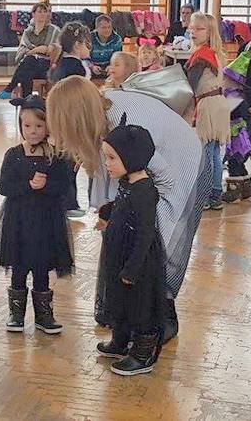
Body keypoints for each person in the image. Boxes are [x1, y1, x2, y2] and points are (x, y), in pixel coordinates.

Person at [46, 76, 210, 344]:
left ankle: (162, 318)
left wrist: (143, 209)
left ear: (75, 118)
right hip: (158, 168)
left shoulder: (127, 126)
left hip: (183, 165)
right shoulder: (103, 112)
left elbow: (164, 179)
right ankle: (128, 311)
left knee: (162, 243)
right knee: (129, 235)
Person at [0, 95, 73, 334]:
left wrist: (46, 186)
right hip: (19, 221)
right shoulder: (13, 154)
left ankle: (44, 315)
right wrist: (28, 185)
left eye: (38, 126)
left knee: (42, 267)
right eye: (27, 126)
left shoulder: (55, 156)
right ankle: (16, 314)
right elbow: (4, 187)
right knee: (19, 266)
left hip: (46, 221)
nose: (33, 131)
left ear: (48, 126)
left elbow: (64, 188)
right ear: (20, 125)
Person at [95, 124, 165, 376]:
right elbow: (123, 207)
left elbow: (145, 232)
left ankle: (142, 354)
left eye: (112, 158)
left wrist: (133, 268)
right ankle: (120, 340)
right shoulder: (128, 182)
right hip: (120, 254)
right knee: (120, 299)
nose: (107, 164)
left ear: (132, 157)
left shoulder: (144, 190)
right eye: (106, 157)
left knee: (139, 304)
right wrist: (108, 212)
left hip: (138, 260)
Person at [49, 21, 93, 219]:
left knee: (67, 161)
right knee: (70, 163)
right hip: (72, 118)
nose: (89, 48)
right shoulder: (75, 67)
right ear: (77, 45)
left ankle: (65, 202)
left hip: (62, 117)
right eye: (87, 43)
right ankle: (68, 203)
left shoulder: (63, 64)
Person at [186, 12, 230, 211]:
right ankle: (215, 195)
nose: (193, 32)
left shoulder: (202, 55)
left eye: (199, 29)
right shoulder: (214, 53)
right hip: (218, 103)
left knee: (206, 154)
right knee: (213, 153)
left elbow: (190, 85)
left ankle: (205, 195)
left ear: (209, 32)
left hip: (208, 105)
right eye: (192, 28)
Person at [0, 3, 60, 100]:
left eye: (45, 12)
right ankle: (27, 101)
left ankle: (11, 89)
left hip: (47, 67)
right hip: (31, 65)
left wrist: (33, 51)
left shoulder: (54, 30)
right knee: (27, 70)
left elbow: (48, 50)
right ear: (33, 14)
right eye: (40, 12)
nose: (43, 14)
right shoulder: (28, 32)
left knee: (27, 63)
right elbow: (22, 50)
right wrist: (37, 50)